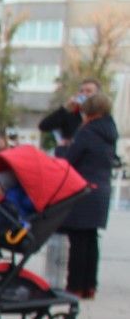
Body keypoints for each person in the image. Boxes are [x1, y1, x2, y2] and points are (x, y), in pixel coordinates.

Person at [60, 92, 120, 298]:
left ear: (91, 111)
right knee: (91, 238)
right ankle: (89, 285)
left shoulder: (87, 131)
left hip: (84, 189)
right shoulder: (110, 131)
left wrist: (62, 152)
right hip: (102, 189)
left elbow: (71, 159)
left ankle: (75, 285)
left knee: (78, 240)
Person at [39, 77, 100, 148]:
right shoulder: (71, 114)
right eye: (81, 91)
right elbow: (44, 126)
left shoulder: (101, 116)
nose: (84, 94)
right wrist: (65, 108)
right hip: (69, 156)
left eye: (88, 91)